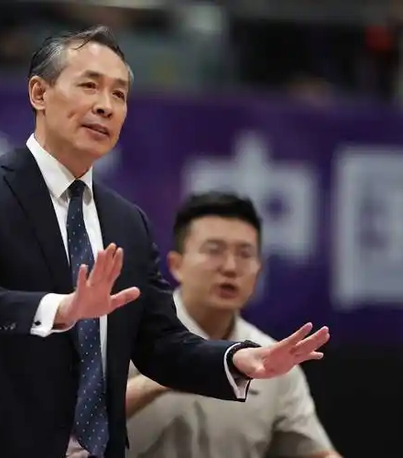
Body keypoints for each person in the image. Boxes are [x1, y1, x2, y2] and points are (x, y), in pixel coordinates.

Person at [0, 25, 330, 458]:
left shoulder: (128, 222)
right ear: (39, 93)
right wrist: (60, 309)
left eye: (119, 94)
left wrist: (236, 360)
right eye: (89, 86)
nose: (105, 106)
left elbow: (161, 344)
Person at [125, 192, 341, 458]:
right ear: (176, 265)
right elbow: (83, 418)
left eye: (244, 254)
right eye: (214, 250)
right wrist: (172, 374)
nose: (230, 267)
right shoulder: (132, 334)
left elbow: (315, 452)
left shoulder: (272, 359)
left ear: (259, 269)